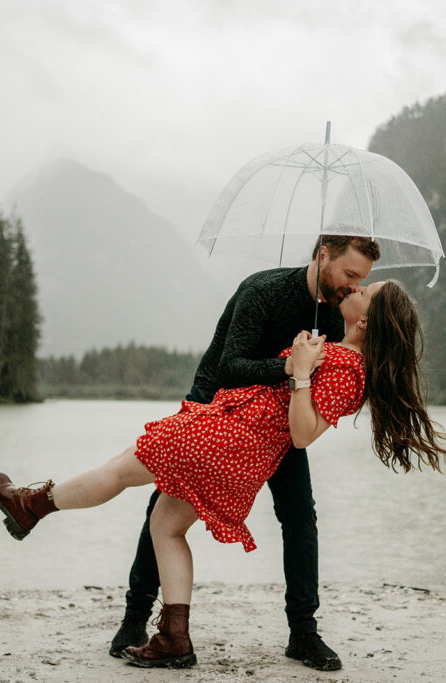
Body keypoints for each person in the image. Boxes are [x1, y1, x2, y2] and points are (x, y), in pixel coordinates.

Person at [0, 279, 446, 670]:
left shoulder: (349, 370)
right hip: (235, 446)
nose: (354, 287)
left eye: (364, 290)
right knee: (166, 527)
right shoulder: (340, 354)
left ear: (366, 321)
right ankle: (174, 637)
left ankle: (32, 505)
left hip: (225, 438)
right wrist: (303, 357)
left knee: (118, 470)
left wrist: (303, 372)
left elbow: (302, 435)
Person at [118, 234, 378, 671]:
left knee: (299, 514)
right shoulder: (263, 290)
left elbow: (318, 393)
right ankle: (134, 620)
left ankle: (303, 633)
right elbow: (230, 367)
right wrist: (291, 366)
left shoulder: (335, 318)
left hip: (275, 422)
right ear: (322, 255)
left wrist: (303, 383)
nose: (353, 288)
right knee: (161, 507)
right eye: (350, 275)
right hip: (214, 404)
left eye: (361, 282)